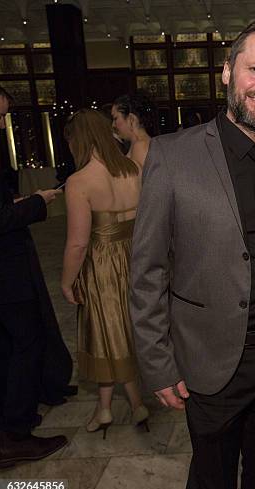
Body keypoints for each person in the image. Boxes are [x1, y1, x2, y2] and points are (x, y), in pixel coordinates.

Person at [129, 19, 255, 489]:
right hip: (212, 361)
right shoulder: (172, 157)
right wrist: (158, 365)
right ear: (227, 73)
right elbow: (146, 272)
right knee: (211, 483)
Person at [61, 109, 149, 438]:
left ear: (80, 140)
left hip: (101, 262)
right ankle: (111, 406)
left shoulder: (79, 182)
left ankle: (117, 406)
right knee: (122, 330)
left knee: (104, 332)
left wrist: (66, 282)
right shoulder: (133, 170)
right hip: (134, 257)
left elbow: (77, 245)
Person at [0, 85, 68, 467]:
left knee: (9, 345)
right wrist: (38, 203)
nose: (2, 124)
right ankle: (14, 435)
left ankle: (12, 418)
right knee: (26, 342)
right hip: (6, 273)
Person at [111, 91, 158, 169]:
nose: (113, 125)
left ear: (131, 119)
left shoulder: (140, 146)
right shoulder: (140, 143)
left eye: (115, 118)